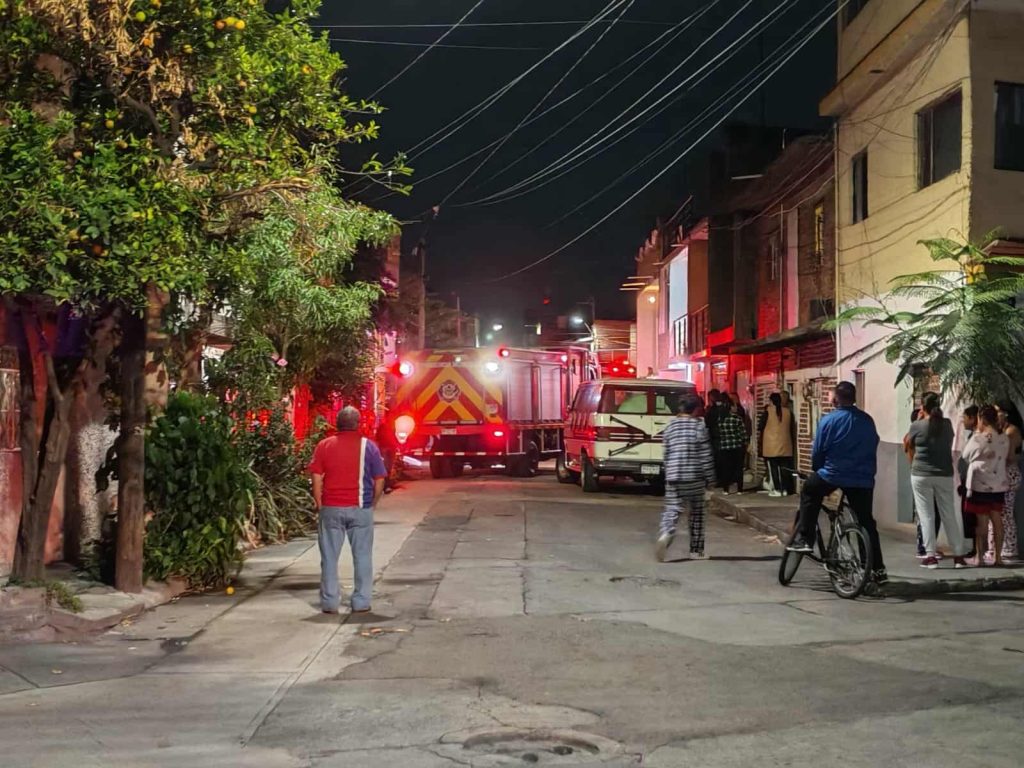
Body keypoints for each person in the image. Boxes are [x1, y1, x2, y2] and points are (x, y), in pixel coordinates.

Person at [787, 381, 887, 584]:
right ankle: (877, 569)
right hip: (862, 478)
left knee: (810, 491)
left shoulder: (829, 420)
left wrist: (817, 468)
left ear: (836, 399)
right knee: (866, 522)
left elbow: (818, 451)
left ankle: (805, 538)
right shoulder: (867, 420)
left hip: (833, 474)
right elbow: (874, 442)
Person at [308, 406, 387, 614]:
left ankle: (330, 602)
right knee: (362, 556)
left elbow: (316, 476)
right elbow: (379, 479)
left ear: (337, 423)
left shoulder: (324, 445)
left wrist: (319, 503)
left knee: (329, 558)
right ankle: (361, 602)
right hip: (360, 508)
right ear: (358, 424)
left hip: (331, 508)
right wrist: (372, 503)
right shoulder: (369, 447)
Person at [903, 393, 968, 569]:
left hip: (921, 474)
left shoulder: (917, 425)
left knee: (926, 516)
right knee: (949, 515)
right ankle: (959, 556)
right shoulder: (946, 425)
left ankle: (930, 556)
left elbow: (907, 444)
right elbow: (948, 442)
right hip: (944, 473)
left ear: (923, 407)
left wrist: (919, 420)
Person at [657, 393, 716, 562]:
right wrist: (711, 478)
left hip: (674, 475)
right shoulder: (699, 426)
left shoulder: (670, 426)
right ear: (696, 409)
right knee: (697, 513)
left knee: (672, 508)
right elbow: (705, 455)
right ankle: (696, 551)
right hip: (694, 476)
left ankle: (666, 533)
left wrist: (668, 471)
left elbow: (666, 453)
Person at [962, 405, 1010, 567]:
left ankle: (980, 558)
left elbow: (965, 455)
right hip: (999, 484)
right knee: (997, 520)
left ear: (981, 419)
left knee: (981, 522)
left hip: (981, 485)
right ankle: (998, 558)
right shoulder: (1004, 438)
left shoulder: (978, 438)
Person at [994, 403, 1022, 562]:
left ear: (1005, 413)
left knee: (1006, 512)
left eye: (998, 412)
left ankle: (1010, 548)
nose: (995, 415)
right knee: (1001, 512)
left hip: (1008, 474)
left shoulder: (1011, 431)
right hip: (1002, 474)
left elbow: (1010, 456)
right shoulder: (1002, 430)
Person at [759, 392, 796, 497]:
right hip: (786, 445)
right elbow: (791, 427)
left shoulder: (768, 411)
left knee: (774, 469)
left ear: (771, 401)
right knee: (784, 468)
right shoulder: (788, 412)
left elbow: (760, 426)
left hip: (771, 446)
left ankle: (777, 489)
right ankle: (785, 489)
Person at [956, 406, 979, 558]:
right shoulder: (971, 435)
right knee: (968, 515)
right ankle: (974, 548)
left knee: (974, 515)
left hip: (973, 482)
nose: (963, 421)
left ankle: (977, 549)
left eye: (964, 418)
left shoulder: (978, 437)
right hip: (966, 480)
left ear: (972, 418)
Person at [715, 397, 749, 494]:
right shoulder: (737, 418)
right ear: (731, 407)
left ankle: (726, 489)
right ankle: (739, 490)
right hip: (737, 446)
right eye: (735, 406)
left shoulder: (720, 419)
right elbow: (743, 433)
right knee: (738, 468)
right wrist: (746, 442)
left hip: (724, 447)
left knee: (726, 468)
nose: (736, 408)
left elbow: (718, 433)